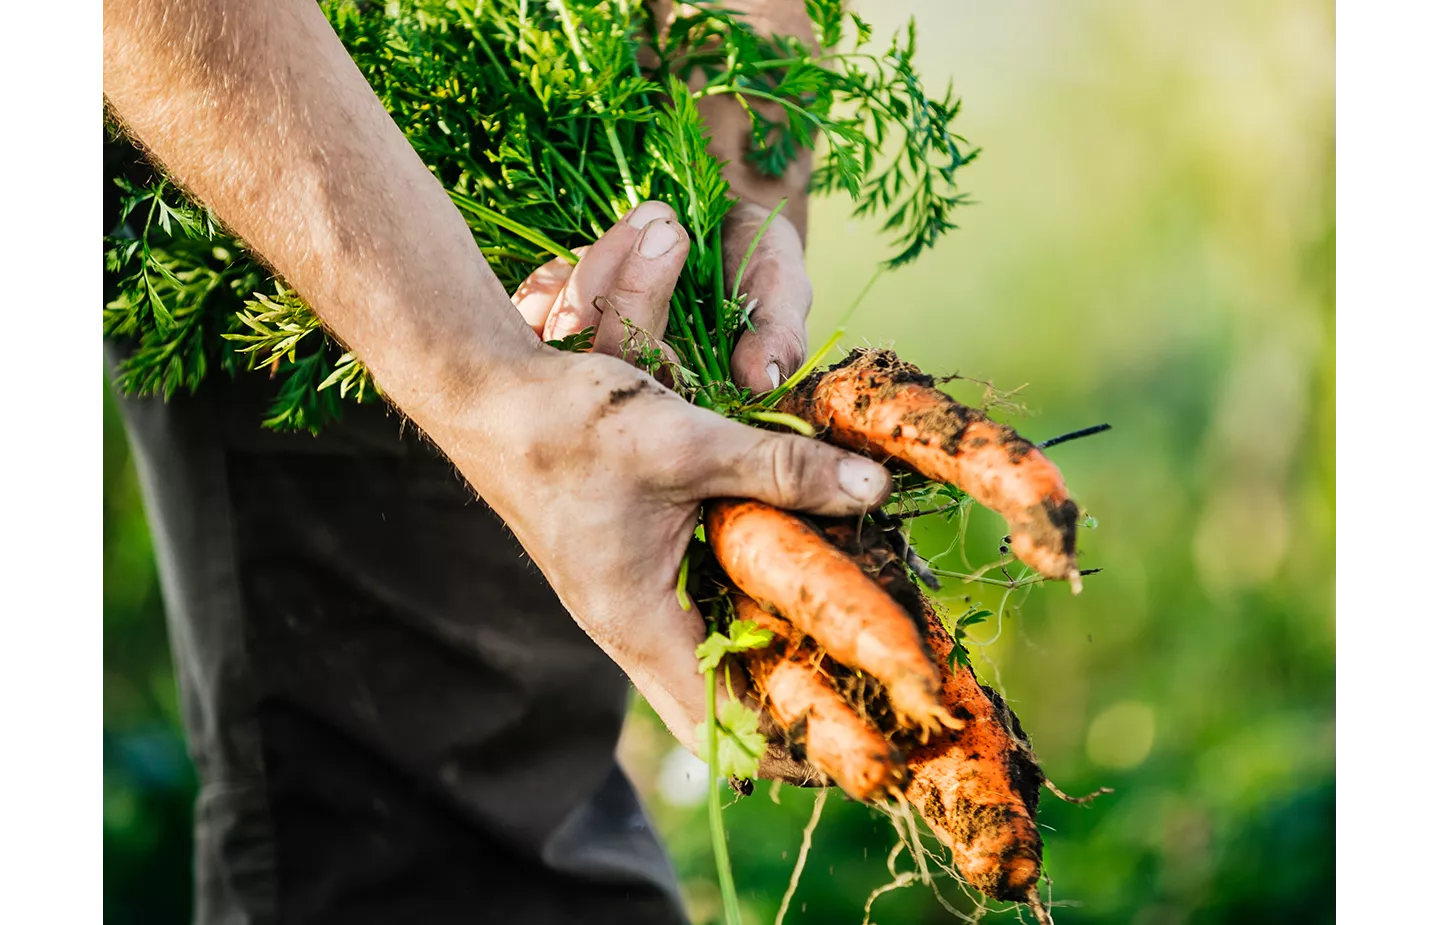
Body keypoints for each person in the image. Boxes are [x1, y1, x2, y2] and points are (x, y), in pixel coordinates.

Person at [103, 1, 894, 922]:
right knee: (413, 789)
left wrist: (735, 195)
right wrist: (484, 381)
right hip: (265, 64)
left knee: (530, 771)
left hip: (572, 89)